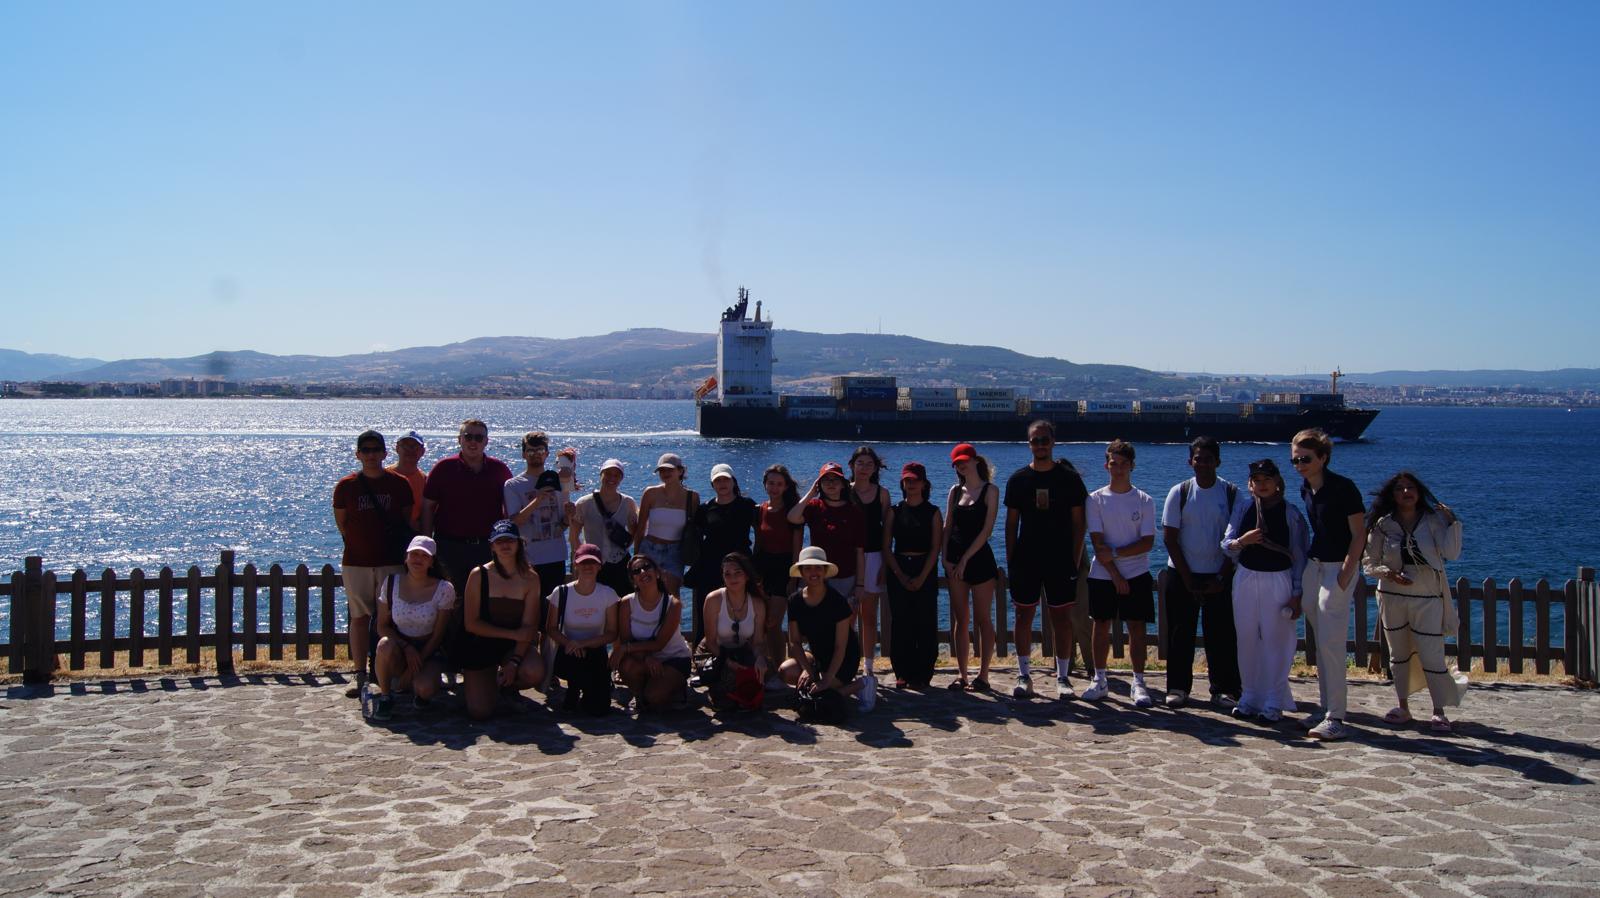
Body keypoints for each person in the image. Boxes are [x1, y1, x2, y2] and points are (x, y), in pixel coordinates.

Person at [1363, 471, 1468, 733]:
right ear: (1392, 494)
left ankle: (1438, 710)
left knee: (1432, 653)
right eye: (1400, 488)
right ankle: (1403, 706)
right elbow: (1369, 563)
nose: (1406, 492)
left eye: (1410, 487)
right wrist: (1389, 574)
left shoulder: (1433, 520)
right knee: (1398, 653)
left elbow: (1452, 553)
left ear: (1419, 492)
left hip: (1427, 596)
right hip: (1392, 596)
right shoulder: (1383, 524)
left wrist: (1452, 521)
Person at [1003, 421, 1088, 699]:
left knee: (1061, 619)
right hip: (1026, 559)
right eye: (1035, 440)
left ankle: (1063, 678)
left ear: (1053, 442)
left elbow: (1080, 523)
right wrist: (1012, 560)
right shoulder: (1017, 480)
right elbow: (1011, 525)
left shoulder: (1069, 479)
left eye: (1044, 440)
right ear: (1028, 444)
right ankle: (1023, 675)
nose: (1040, 445)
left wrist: (1075, 558)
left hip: (1060, 559)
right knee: (1023, 616)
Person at [1292, 428, 1367, 741]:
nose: (1299, 465)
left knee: (1331, 642)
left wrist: (1347, 571)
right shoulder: (1306, 488)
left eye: (1306, 459)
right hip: (1315, 565)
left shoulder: (1343, 488)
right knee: (1320, 638)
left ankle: (1336, 716)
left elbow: (1359, 533)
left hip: (1338, 567)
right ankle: (1325, 708)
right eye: (1295, 460)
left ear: (1323, 458)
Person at [1222, 460, 1309, 722]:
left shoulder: (1291, 513)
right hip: (1246, 576)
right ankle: (1249, 696)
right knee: (1246, 638)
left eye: (1267, 480)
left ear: (1277, 482)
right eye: (1257, 480)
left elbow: (1299, 554)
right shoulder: (1243, 508)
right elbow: (1226, 544)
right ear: (1250, 484)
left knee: (1277, 641)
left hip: (1278, 579)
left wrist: (1296, 593)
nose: (1262, 485)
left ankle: (1274, 700)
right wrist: (1242, 541)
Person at [1160, 436, 1242, 709]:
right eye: (1198, 459)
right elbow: (1170, 538)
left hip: (1219, 575)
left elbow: (1237, 541)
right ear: (1190, 461)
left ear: (1218, 461)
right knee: (1179, 633)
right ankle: (1177, 687)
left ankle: (1224, 689)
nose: (1203, 464)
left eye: (1208, 459)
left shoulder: (1232, 493)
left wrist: (1221, 577)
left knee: (1221, 634)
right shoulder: (1180, 492)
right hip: (1182, 573)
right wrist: (1187, 578)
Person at [332, 429, 414, 698]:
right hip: (357, 562)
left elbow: (405, 520)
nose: (370, 455)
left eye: (375, 450)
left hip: (391, 562)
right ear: (358, 454)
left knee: (391, 619)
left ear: (384, 453)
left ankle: (388, 671)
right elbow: (342, 523)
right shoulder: (346, 486)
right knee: (359, 618)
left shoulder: (399, 484)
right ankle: (359, 673)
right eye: (365, 450)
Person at [1082, 440, 1158, 707]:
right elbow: (1097, 542)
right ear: (1107, 465)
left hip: (1137, 573)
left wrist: (1115, 554)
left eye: (1124, 463)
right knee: (1100, 624)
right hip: (1103, 575)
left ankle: (1139, 682)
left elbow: (1147, 543)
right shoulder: (1095, 499)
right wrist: (1116, 575)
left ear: (1132, 466)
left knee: (1136, 627)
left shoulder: (1145, 501)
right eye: (1114, 463)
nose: (1118, 468)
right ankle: (1100, 679)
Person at [458, 520, 545, 721]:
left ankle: (507, 686)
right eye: (499, 541)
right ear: (492, 546)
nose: (505, 545)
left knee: (534, 671)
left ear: (519, 544)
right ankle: (488, 684)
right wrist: (512, 634)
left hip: (512, 646)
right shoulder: (478, 575)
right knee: (479, 711)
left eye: (510, 540)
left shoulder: (531, 578)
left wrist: (514, 662)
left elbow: (529, 626)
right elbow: (471, 624)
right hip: (480, 643)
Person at [421, 419, 514, 597]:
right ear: (459, 440)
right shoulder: (443, 468)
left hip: (487, 548)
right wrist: (427, 545)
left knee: (486, 599)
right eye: (468, 436)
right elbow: (428, 508)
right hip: (449, 548)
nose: (473, 442)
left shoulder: (499, 469)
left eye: (479, 438)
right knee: (450, 600)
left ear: (486, 441)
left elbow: (510, 509)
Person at [781, 547, 873, 717]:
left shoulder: (837, 601)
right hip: (817, 656)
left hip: (844, 659)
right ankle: (833, 689)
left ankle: (861, 684)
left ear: (825, 571)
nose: (813, 572)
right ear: (801, 572)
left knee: (818, 690)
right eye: (808, 568)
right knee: (786, 672)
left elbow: (840, 646)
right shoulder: (794, 601)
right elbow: (795, 642)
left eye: (818, 567)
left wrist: (826, 679)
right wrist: (808, 670)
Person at [371, 535, 455, 721]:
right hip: (400, 646)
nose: (418, 559)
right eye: (414, 554)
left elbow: (438, 635)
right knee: (384, 645)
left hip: (430, 649)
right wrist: (406, 647)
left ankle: (417, 689)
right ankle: (386, 696)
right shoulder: (391, 583)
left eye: (424, 556)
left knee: (425, 688)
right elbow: (382, 626)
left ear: (432, 562)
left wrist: (416, 664)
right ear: (406, 558)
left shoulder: (444, 588)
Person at [943, 443, 999, 693]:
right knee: (961, 618)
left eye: (965, 460)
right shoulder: (955, 491)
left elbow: (987, 530)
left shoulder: (990, 490)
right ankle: (962, 674)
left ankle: (983, 674)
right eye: (957, 463)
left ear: (976, 461)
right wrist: (945, 557)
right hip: (954, 560)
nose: (961, 465)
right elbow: (947, 526)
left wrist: (966, 558)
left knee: (983, 618)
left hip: (979, 559)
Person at [883, 462, 942, 689]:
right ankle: (903, 671)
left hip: (924, 567)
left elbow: (935, 548)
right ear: (902, 483)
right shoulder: (894, 511)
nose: (912, 484)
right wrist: (899, 575)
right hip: (899, 567)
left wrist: (922, 576)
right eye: (907, 480)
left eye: (916, 480)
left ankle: (923, 673)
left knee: (925, 622)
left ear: (924, 484)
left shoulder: (933, 512)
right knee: (901, 622)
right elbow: (886, 547)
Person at [546, 543, 621, 715]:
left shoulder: (608, 594)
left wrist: (583, 643)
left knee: (598, 708)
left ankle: (588, 689)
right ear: (576, 565)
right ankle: (574, 687)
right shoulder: (561, 592)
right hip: (567, 650)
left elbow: (612, 633)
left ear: (600, 566)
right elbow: (551, 628)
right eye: (583, 562)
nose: (588, 567)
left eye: (592, 562)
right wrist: (570, 643)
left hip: (595, 650)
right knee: (576, 663)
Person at [612, 554, 693, 713]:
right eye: (636, 571)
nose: (642, 572)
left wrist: (625, 649)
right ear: (633, 580)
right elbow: (626, 639)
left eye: (646, 567)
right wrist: (646, 657)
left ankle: (673, 687)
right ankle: (640, 694)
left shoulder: (673, 604)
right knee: (627, 666)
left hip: (673, 658)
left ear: (657, 573)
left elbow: (660, 644)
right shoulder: (627, 603)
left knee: (655, 697)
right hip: (643, 659)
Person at [687, 464, 757, 642]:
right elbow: (696, 538)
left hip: (740, 565)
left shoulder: (747, 505)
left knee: (743, 608)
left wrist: (755, 561)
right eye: (718, 480)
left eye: (726, 479)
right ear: (712, 485)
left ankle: (744, 649)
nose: (722, 483)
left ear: (733, 482)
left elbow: (760, 532)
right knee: (707, 611)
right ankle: (704, 649)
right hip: (711, 566)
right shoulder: (705, 509)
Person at [504, 431, 574, 610]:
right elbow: (514, 522)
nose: (535, 454)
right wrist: (537, 500)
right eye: (530, 450)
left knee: (552, 611)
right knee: (527, 610)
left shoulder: (558, 482)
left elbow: (561, 525)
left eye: (540, 450)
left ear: (547, 453)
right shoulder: (513, 485)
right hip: (528, 560)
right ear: (523, 454)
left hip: (556, 557)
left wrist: (569, 516)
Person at [698, 552, 770, 710]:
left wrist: (760, 658)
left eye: (738, 573)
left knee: (756, 681)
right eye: (727, 574)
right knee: (726, 700)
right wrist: (729, 663)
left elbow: (758, 642)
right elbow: (710, 642)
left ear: (747, 576)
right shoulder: (713, 599)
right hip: (714, 651)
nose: (733, 578)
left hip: (741, 650)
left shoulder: (757, 603)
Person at [787, 463, 867, 603]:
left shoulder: (854, 512)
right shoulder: (814, 507)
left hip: (844, 576)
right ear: (819, 484)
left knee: (841, 615)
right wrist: (811, 493)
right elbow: (792, 517)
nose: (831, 483)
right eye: (826, 480)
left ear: (843, 484)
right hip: (816, 574)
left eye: (835, 480)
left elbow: (860, 551)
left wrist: (860, 584)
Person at [754, 464, 802, 684]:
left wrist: (794, 577)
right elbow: (759, 543)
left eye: (779, 484)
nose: (774, 488)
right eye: (771, 483)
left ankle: (781, 666)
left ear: (786, 486)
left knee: (774, 621)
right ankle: (770, 667)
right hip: (764, 569)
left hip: (785, 569)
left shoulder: (792, 512)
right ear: (765, 484)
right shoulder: (760, 509)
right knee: (763, 623)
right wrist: (756, 575)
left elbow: (797, 548)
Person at [849, 447, 893, 683]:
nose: (864, 468)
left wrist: (885, 562)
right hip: (848, 557)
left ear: (875, 468)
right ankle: (847, 663)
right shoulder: (844, 491)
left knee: (868, 615)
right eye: (860, 463)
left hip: (874, 556)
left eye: (869, 464)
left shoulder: (882, 494)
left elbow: (887, 531)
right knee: (848, 615)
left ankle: (867, 666)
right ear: (852, 466)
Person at [634, 453, 697, 602]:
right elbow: (640, 528)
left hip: (675, 552)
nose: (665, 473)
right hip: (649, 549)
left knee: (672, 595)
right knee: (645, 594)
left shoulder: (692, 497)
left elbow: (693, 530)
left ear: (680, 471)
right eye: (662, 470)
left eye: (670, 469)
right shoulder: (650, 493)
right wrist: (636, 556)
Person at [571, 458, 639, 597]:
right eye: (608, 474)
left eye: (616, 475)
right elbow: (573, 536)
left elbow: (634, 533)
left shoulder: (628, 503)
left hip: (620, 563)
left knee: (623, 602)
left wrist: (624, 548)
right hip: (593, 563)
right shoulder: (584, 503)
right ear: (601, 474)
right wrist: (582, 558)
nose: (612, 478)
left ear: (621, 478)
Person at [387, 430, 428, 529]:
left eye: (415, 446)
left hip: (413, 535)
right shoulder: (384, 476)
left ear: (422, 451)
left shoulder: (425, 481)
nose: (410, 450)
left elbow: (428, 515)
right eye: (405, 446)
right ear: (397, 448)